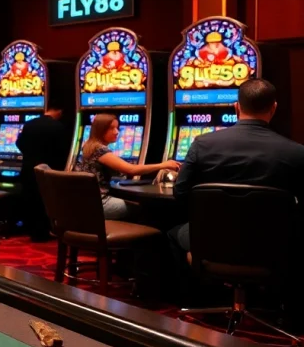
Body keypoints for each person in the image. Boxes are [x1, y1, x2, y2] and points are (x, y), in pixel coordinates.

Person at [170, 79, 304, 259]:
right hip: (273, 244)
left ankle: (199, 286)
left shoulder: (202, 144)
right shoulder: (296, 152)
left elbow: (180, 193)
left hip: (213, 238)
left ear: (236, 107)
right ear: (274, 108)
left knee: (172, 234)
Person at [75, 114, 180, 219]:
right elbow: (132, 170)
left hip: (88, 203)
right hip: (101, 205)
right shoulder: (99, 150)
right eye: (111, 128)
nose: (117, 132)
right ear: (100, 130)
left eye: (117, 128)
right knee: (150, 209)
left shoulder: (88, 146)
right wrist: (163, 165)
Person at [15, 102, 68, 241]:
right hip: (48, 170)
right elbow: (63, 151)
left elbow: (18, 143)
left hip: (28, 168)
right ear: (60, 112)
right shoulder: (58, 126)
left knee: (31, 199)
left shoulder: (30, 123)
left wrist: (29, 155)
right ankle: (44, 232)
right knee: (44, 201)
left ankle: (33, 231)